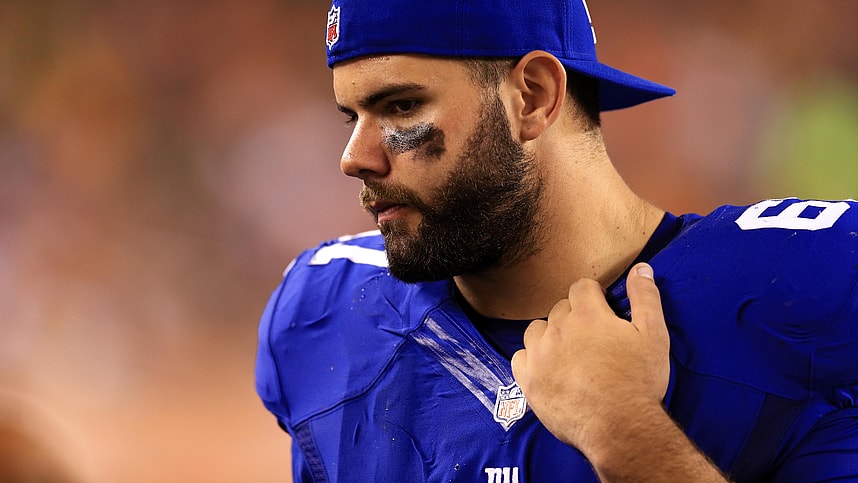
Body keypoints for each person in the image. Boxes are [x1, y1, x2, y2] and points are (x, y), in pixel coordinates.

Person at [255, 0, 858, 481]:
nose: (354, 157)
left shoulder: (805, 291)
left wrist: (627, 435)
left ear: (533, 96)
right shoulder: (320, 315)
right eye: (351, 117)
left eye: (401, 106)